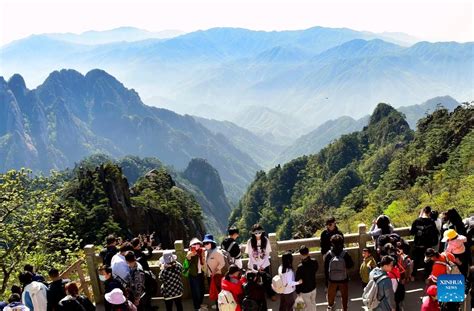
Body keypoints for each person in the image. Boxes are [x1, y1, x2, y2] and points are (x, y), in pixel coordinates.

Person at [245, 224, 275, 300]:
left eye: (259, 232)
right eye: (256, 233)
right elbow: (250, 255)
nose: (258, 234)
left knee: (267, 280)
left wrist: (263, 265)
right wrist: (257, 266)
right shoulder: (250, 242)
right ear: (252, 233)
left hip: (264, 264)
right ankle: (255, 296)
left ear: (262, 232)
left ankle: (270, 294)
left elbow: (267, 253)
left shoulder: (266, 240)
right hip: (254, 264)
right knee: (254, 281)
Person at [324, 234, 354, 311]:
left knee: (331, 297)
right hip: (343, 279)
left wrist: (327, 283)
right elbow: (351, 265)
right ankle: (344, 309)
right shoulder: (345, 254)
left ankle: (331, 308)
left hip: (332, 280)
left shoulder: (329, 254)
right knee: (344, 297)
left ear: (332, 243)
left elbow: (326, 269)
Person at [410, 206, 439, 280]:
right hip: (427, 245)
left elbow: (412, 232)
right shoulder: (431, 222)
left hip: (418, 244)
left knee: (416, 260)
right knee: (427, 261)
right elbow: (435, 233)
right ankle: (427, 277)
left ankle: (413, 275)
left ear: (422, 212)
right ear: (429, 212)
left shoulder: (416, 221)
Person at [203, 234, 225, 308]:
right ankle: (217, 304)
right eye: (204, 243)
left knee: (218, 292)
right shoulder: (207, 252)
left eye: (207, 243)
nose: (205, 245)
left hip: (216, 276)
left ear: (212, 243)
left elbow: (222, 263)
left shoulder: (217, 252)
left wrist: (216, 270)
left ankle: (220, 306)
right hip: (210, 276)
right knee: (214, 291)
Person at [185, 238, 206, 311]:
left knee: (202, 290)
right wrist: (190, 255)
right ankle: (197, 307)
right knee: (195, 292)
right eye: (194, 244)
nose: (196, 245)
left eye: (198, 244)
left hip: (200, 274)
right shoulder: (190, 252)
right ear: (191, 246)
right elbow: (187, 260)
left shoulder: (201, 251)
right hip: (193, 275)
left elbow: (203, 262)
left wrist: (202, 255)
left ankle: (200, 304)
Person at [295, 245, 318, 311]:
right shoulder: (314, 261)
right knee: (313, 303)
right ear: (308, 253)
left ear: (300, 255)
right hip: (313, 288)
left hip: (304, 290)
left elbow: (298, 281)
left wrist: (298, 291)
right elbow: (315, 270)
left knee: (306, 307)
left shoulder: (300, 267)